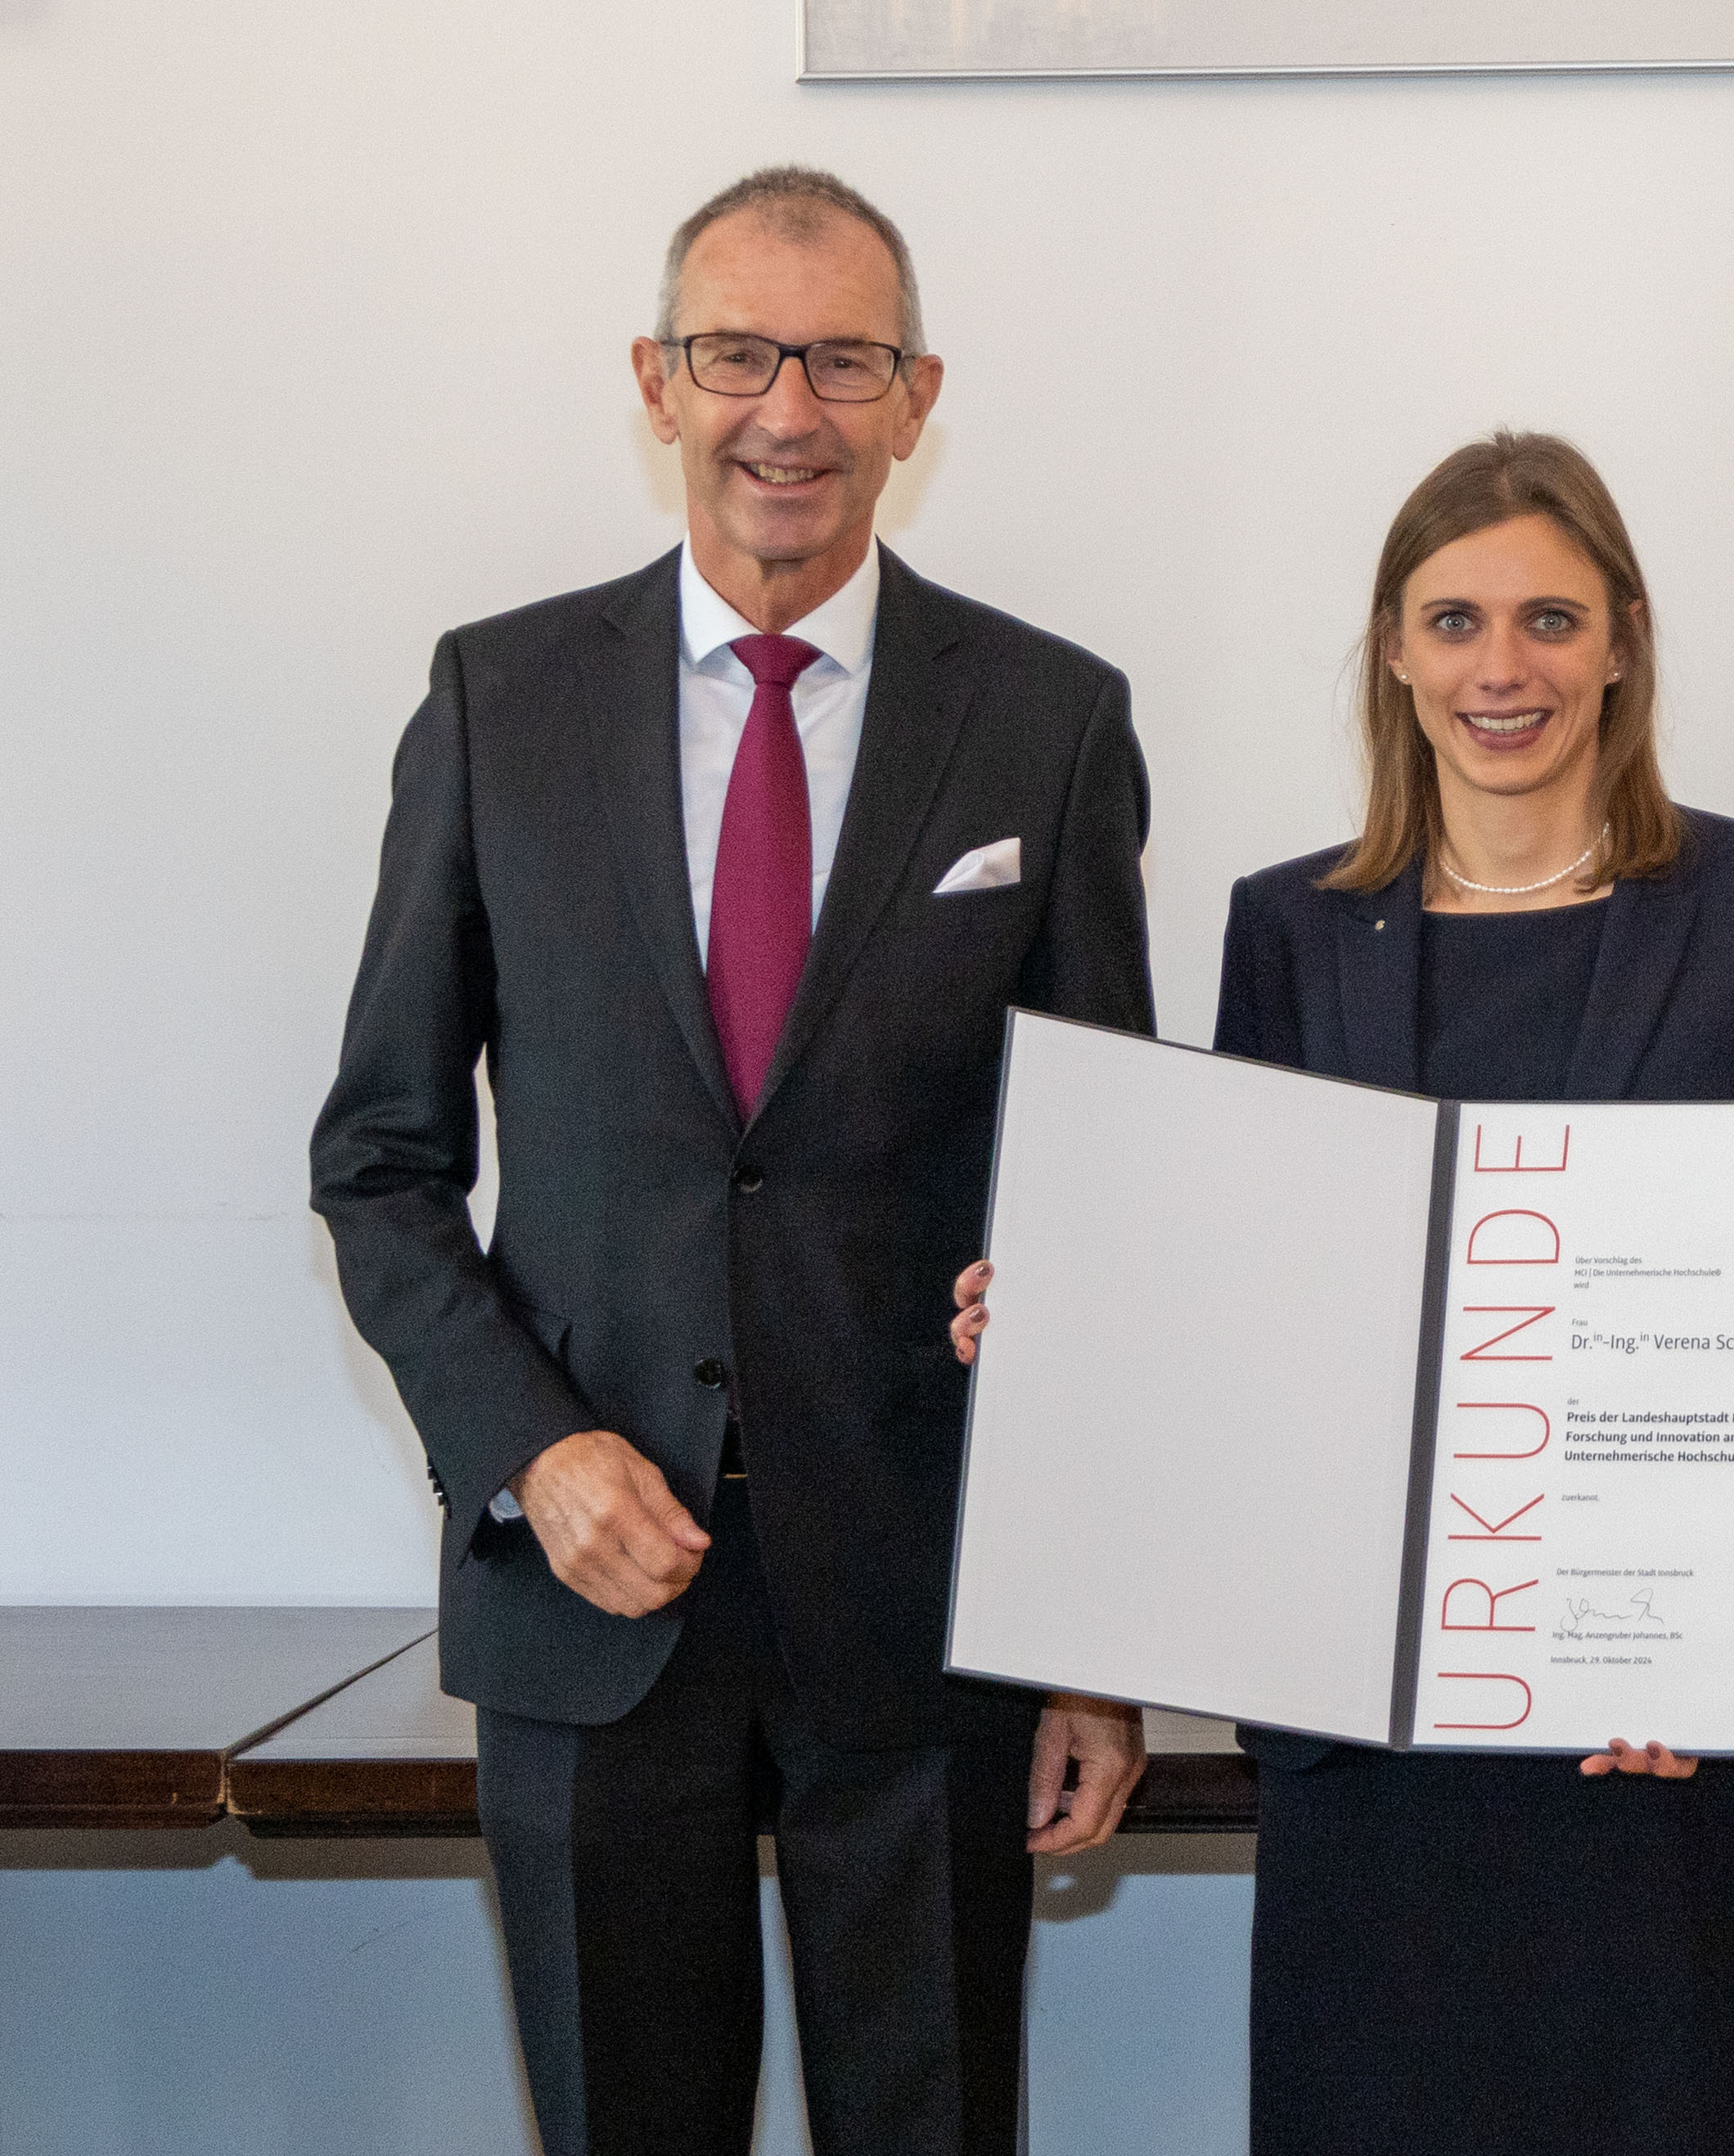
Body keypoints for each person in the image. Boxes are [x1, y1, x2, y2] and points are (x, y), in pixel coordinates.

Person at [309, 165, 1155, 2156]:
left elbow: (1117, 1205)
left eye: (843, 358)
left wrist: (1100, 1636)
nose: (789, 405)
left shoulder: (1045, 718)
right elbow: (381, 1158)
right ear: (656, 380)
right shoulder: (496, 698)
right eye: (737, 353)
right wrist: (531, 1444)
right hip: (593, 1590)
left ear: (916, 393)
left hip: (933, 1603)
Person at [955, 430, 1734, 2154]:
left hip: (1650, 1747)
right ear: (1392, 648)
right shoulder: (1288, 929)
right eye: (1452, 622)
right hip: (1370, 1756)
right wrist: (1085, 1325)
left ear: (1621, 639)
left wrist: (1725, 1665)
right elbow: (1255, 1321)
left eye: (1545, 618)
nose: (1498, 668)